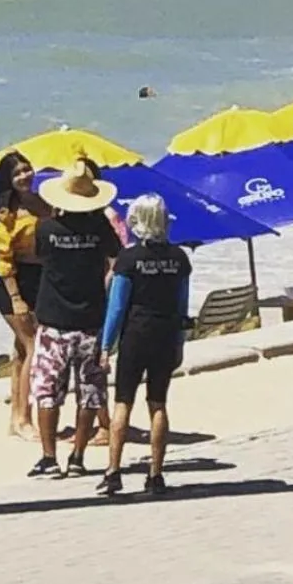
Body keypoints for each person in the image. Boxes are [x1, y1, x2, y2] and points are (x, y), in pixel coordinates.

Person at [27, 158, 122, 479]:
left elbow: (40, 256)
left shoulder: (46, 229)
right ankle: (78, 456)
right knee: (90, 391)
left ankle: (49, 456)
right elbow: (115, 256)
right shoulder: (100, 229)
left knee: (47, 389)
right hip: (92, 318)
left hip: (54, 319)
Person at [98, 194, 191, 499]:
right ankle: (156, 473)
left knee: (123, 401)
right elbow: (182, 305)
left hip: (136, 335)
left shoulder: (129, 259)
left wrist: (106, 346)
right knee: (158, 402)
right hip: (166, 334)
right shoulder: (179, 259)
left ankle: (113, 471)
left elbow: (117, 306)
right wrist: (179, 342)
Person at [0, 150, 45, 441]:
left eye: (28, 169)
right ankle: (25, 418)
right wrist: (16, 298)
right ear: (8, 180)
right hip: (15, 284)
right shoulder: (6, 215)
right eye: (18, 172)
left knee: (22, 352)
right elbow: (3, 262)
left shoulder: (42, 202)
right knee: (33, 347)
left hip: (40, 279)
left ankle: (16, 417)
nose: (25, 175)